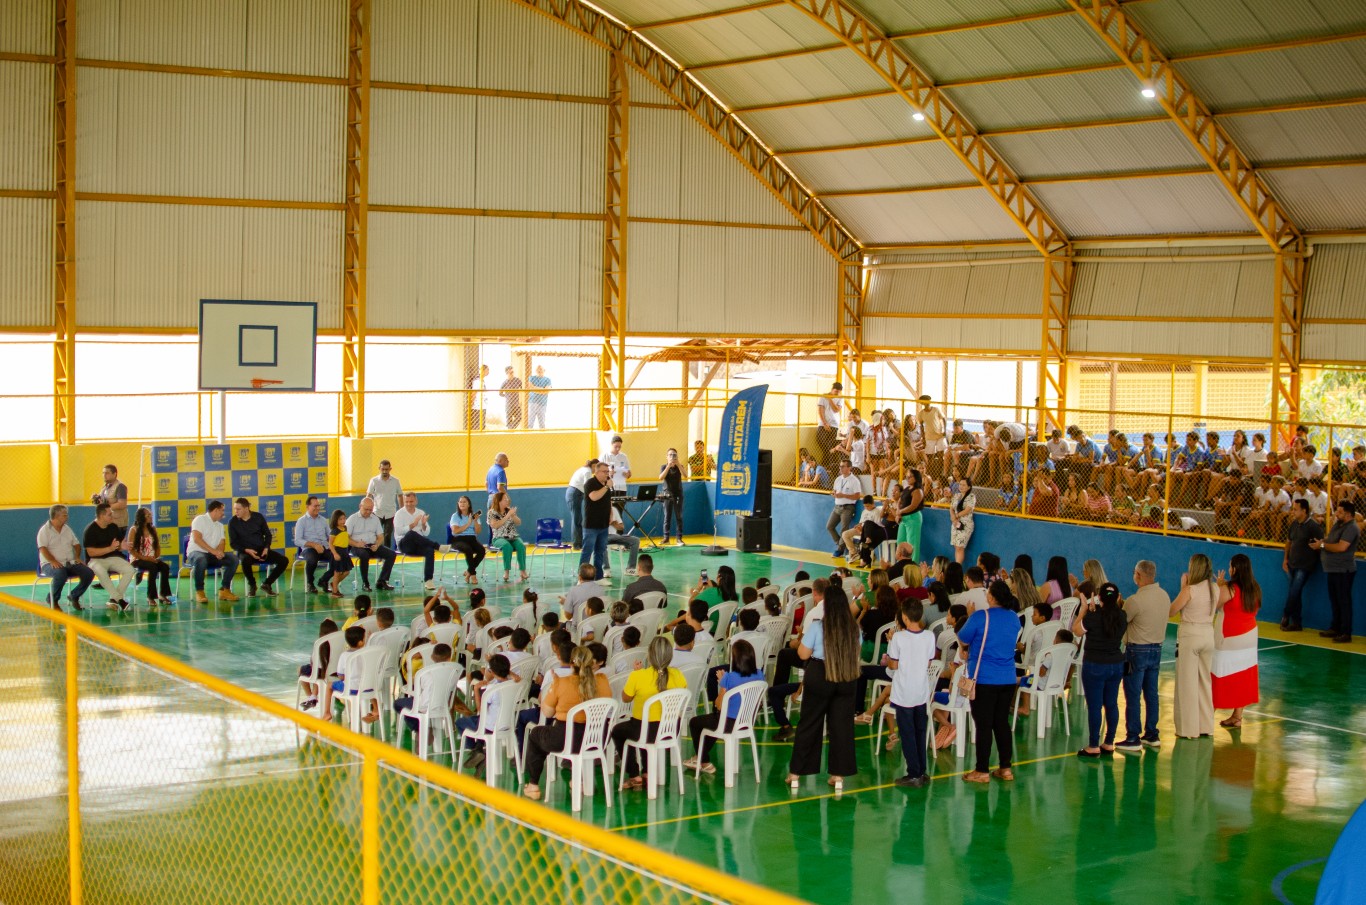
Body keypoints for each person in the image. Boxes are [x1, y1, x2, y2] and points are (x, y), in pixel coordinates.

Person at [786, 584, 860, 792]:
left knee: (809, 724)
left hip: (820, 676)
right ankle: (838, 775)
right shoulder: (854, 629)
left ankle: (796, 773)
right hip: (846, 676)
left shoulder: (819, 626)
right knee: (842, 727)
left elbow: (802, 654)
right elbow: (856, 653)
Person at [521, 645, 611, 801]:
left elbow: (547, 712)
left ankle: (533, 785)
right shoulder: (603, 681)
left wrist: (554, 689)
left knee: (536, 734)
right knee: (579, 742)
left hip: (566, 739)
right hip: (597, 738)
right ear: (593, 663)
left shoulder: (561, 682)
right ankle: (579, 781)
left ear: (571, 664)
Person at [956, 580, 1019, 783]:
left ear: (991, 597)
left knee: (983, 725)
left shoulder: (979, 617)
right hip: (1008, 678)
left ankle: (982, 770)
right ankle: (1005, 768)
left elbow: (963, 639)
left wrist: (969, 616)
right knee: (1001, 723)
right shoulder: (1013, 618)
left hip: (984, 678)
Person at [613, 636, 688, 789]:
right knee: (644, 728)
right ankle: (647, 771)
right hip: (670, 729)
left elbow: (626, 699)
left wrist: (636, 675)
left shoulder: (638, 676)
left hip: (645, 731)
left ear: (649, 654)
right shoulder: (678, 675)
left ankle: (634, 773)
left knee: (618, 731)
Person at [685, 638, 766, 775]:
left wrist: (722, 683)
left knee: (695, 722)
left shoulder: (729, 677)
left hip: (728, 723)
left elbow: (719, 705)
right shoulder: (760, 674)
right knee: (711, 722)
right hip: (746, 722)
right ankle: (700, 757)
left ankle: (703, 760)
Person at [1113, 560, 1170, 754]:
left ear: (1138, 575)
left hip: (1135, 652)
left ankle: (1132, 737)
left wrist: (1119, 606)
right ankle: (1152, 733)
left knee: (1132, 693)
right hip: (1156, 650)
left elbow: (1122, 620)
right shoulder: (1164, 596)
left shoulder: (1134, 600)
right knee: (1151, 693)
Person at [1072, 582, 1128, 757]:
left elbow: (1076, 631)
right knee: (1111, 704)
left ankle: (1093, 745)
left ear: (1099, 598)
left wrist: (1083, 610)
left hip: (1095, 665)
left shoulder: (1092, 616)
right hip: (1116, 664)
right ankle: (1109, 742)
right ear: (1118, 597)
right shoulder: (1122, 616)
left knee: (1095, 706)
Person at [887, 598, 935, 787]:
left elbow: (893, 664)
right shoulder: (929, 636)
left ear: (904, 618)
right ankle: (922, 770)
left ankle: (913, 773)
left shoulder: (898, 638)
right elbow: (929, 662)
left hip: (904, 692)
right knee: (920, 731)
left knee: (907, 733)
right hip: (921, 691)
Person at [1212, 554, 1261, 729]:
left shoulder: (1230, 588)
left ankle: (1209, 712)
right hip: (1249, 638)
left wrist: (1218, 586)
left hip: (1229, 638)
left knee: (1219, 674)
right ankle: (1237, 716)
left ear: (1234, 569)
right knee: (1242, 675)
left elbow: (1214, 605)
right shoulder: (1254, 587)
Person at [1171, 554, 1217, 739]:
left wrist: (1182, 587)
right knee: (1205, 681)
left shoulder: (1190, 589)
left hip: (1190, 635)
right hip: (1208, 635)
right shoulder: (1215, 588)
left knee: (1187, 683)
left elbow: (1172, 610)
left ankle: (1188, 729)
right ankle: (1206, 725)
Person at [1313, 502, 1359, 643]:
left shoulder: (1351, 528)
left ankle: (1346, 632)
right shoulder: (1338, 525)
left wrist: (1321, 545)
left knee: (1344, 601)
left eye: (1339, 512)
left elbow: (1341, 547)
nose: (1336, 514)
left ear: (1348, 514)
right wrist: (1322, 541)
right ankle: (1335, 628)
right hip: (1332, 569)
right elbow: (1330, 540)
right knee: (1335, 600)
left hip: (1343, 570)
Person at [37, 504, 94, 611]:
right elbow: (42, 548)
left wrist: (76, 557)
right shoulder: (44, 531)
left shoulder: (67, 529)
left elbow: (76, 545)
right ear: (56, 516)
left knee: (88, 573)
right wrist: (52, 561)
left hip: (69, 562)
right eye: (64, 515)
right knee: (60, 573)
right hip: (49, 564)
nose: (67, 517)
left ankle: (74, 595)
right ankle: (53, 599)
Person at [81, 502, 137, 610]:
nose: (112, 516)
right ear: (102, 516)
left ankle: (113, 599)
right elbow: (91, 553)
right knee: (101, 571)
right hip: (95, 560)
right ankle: (120, 600)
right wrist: (110, 549)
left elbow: (118, 546)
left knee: (130, 569)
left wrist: (122, 546)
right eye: (109, 514)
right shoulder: (90, 530)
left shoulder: (113, 527)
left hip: (113, 557)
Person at [229, 497, 289, 596]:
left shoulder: (258, 517)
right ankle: (252, 585)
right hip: (245, 551)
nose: (236, 511)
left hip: (261, 549)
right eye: (235, 509)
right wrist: (246, 550)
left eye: (238, 509)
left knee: (284, 560)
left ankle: (267, 583)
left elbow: (268, 535)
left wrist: (266, 548)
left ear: (246, 508)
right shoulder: (233, 522)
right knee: (245, 561)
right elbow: (233, 544)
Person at [1281, 498, 1323, 631]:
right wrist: (1285, 559)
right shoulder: (1294, 524)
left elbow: (1320, 544)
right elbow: (1288, 542)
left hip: (1305, 565)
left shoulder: (1313, 526)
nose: (1293, 512)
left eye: (1295, 509)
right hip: (1292, 563)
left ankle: (1286, 614)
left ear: (1304, 511)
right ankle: (1297, 622)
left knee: (1294, 590)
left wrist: (1318, 548)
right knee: (1296, 592)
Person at [187, 500, 240, 604]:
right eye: (222, 510)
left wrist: (219, 552)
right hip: (196, 553)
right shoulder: (199, 519)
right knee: (201, 559)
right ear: (215, 510)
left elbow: (222, 542)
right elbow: (197, 539)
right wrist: (214, 551)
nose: (223, 513)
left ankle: (225, 590)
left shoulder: (219, 525)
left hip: (212, 555)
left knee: (233, 559)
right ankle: (200, 591)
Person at [340, 496, 396, 593]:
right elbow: (345, 538)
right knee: (364, 555)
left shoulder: (375, 519)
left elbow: (380, 536)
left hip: (372, 545)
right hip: (357, 546)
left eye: (370, 510)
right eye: (366, 509)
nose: (368, 512)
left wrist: (377, 545)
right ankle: (365, 583)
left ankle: (382, 581)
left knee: (391, 554)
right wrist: (357, 544)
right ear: (360, 506)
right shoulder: (352, 519)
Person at [394, 492, 440, 591]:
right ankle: (437, 546)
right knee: (411, 534)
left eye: (411, 501)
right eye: (406, 502)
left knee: (430, 551)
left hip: (419, 544)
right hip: (404, 544)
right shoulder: (399, 514)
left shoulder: (420, 512)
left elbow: (426, 532)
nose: (409, 504)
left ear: (416, 501)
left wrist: (423, 524)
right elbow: (398, 531)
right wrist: (413, 524)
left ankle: (428, 580)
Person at [126, 507, 173, 604]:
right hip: (137, 559)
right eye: (148, 515)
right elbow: (131, 550)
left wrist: (156, 557)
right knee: (152, 567)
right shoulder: (133, 530)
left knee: (164, 567)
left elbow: (157, 546)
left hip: (151, 559)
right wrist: (145, 558)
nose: (151, 517)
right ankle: (150, 597)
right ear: (141, 517)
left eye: (151, 515)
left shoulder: (153, 529)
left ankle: (163, 595)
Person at [580, 460, 613, 580]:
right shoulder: (590, 483)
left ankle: (598, 578)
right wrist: (606, 487)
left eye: (608, 471)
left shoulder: (606, 485)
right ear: (597, 472)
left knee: (600, 552)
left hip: (603, 525)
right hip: (591, 525)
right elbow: (594, 497)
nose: (607, 474)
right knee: (587, 552)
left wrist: (611, 514)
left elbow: (608, 501)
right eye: (605, 472)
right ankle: (582, 578)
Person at [294, 496, 333, 594]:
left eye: (319, 506)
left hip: (324, 547)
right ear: (308, 507)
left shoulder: (323, 520)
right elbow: (297, 540)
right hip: (309, 548)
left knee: (338, 558)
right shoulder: (301, 521)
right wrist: (314, 545)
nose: (317, 508)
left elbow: (330, 536)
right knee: (312, 559)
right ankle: (310, 583)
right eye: (315, 506)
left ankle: (324, 580)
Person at [488, 491, 529, 583]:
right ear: (498, 501)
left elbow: (518, 522)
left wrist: (513, 515)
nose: (507, 500)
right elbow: (495, 525)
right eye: (504, 499)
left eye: (507, 499)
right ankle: (506, 571)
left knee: (521, 546)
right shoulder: (492, 512)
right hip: (499, 538)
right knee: (507, 546)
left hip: (513, 536)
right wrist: (508, 516)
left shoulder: (509, 510)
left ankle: (523, 570)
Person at [826, 459, 862, 558]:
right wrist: (834, 494)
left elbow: (857, 496)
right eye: (840, 466)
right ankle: (841, 544)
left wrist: (844, 495)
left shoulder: (854, 480)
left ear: (849, 468)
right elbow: (834, 490)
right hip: (837, 506)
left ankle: (840, 550)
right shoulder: (838, 479)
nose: (840, 468)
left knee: (844, 529)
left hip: (848, 508)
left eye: (843, 466)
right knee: (829, 526)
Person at [447, 496, 486, 584]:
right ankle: (473, 575)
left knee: (482, 550)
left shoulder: (473, 515)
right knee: (468, 549)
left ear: (468, 504)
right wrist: (468, 524)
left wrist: (475, 521)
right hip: (458, 539)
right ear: (458, 504)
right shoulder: (455, 516)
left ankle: (469, 571)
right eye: (460, 502)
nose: (462, 504)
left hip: (472, 538)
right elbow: (455, 530)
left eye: (464, 502)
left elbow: (478, 531)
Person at [365, 459, 402, 547]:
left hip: (391, 512)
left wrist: (402, 510)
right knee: (375, 534)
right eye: (383, 469)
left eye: (386, 469)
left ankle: (387, 555)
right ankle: (374, 552)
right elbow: (369, 495)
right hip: (377, 512)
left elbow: (400, 495)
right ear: (379, 468)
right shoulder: (374, 481)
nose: (385, 471)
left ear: (390, 469)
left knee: (387, 535)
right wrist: (366, 509)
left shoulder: (395, 481)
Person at [565, 458, 597, 550]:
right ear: (594, 466)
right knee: (577, 519)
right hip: (575, 493)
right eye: (597, 468)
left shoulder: (585, 470)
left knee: (578, 519)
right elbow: (589, 487)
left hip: (575, 493)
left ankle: (580, 543)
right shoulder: (587, 472)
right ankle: (577, 544)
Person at [896, 469, 925, 562]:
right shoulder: (906, 489)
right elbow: (899, 501)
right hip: (904, 519)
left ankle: (913, 565)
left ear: (916, 478)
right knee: (900, 542)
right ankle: (901, 564)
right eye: (907, 476)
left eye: (910, 476)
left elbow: (913, 506)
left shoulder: (918, 491)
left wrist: (901, 512)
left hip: (913, 518)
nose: (908, 478)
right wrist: (898, 512)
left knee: (912, 543)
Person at [91, 463, 129, 531]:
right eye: (103, 473)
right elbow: (103, 502)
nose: (104, 475)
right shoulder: (104, 487)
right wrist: (97, 499)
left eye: (107, 473)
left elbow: (122, 504)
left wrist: (107, 507)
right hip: (106, 522)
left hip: (118, 523)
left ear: (114, 474)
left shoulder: (120, 486)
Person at [324, 509, 353, 598]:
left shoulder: (345, 528)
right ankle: (335, 592)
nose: (343, 521)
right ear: (335, 520)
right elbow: (330, 544)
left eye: (344, 519)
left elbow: (346, 540)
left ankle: (334, 584)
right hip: (337, 552)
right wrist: (335, 554)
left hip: (344, 552)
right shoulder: (334, 531)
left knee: (346, 572)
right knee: (337, 572)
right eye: (340, 519)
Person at [659, 448, 685, 545]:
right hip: (667, 494)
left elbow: (685, 475)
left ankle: (679, 538)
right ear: (667, 457)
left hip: (678, 493)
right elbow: (661, 477)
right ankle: (666, 538)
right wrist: (668, 466)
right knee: (667, 516)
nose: (672, 457)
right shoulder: (663, 466)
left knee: (679, 516)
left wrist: (678, 464)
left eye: (674, 455)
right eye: (670, 455)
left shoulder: (680, 466)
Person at [607, 505, 641, 577]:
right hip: (602, 536)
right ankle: (606, 570)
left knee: (635, 540)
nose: (610, 502)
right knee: (601, 541)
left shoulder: (614, 509)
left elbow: (621, 527)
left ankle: (630, 569)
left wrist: (615, 524)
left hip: (614, 536)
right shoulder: (597, 510)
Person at [917, 396, 947, 478]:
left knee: (941, 455)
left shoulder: (936, 409)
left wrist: (944, 430)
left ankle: (939, 475)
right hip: (929, 437)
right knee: (930, 457)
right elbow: (921, 425)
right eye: (924, 401)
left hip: (940, 435)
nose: (926, 403)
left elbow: (943, 419)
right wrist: (923, 437)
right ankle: (929, 474)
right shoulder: (921, 413)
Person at [816, 382, 843, 469]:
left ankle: (826, 466)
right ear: (832, 389)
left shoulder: (840, 398)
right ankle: (826, 466)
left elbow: (836, 410)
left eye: (839, 392)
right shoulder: (823, 397)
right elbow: (821, 410)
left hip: (834, 425)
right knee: (824, 444)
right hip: (823, 424)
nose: (837, 393)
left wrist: (830, 399)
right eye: (836, 391)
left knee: (831, 446)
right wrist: (824, 423)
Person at [949, 475, 976, 564]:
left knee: (960, 547)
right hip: (955, 523)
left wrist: (956, 516)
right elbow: (951, 508)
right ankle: (957, 565)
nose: (961, 486)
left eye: (964, 485)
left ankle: (958, 566)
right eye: (960, 484)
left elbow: (968, 510)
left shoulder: (971, 496)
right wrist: (953, 517)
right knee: (956, 546)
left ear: (969, 487)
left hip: (965, 524)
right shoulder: (956, 495)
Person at [486, 452, 510, 541]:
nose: (508, 461)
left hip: (490, 497)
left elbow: (486, 483)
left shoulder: (490, 469)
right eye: (506, 460)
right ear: (500, 461)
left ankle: (491, 542)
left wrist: (490, 493)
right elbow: (500, 487)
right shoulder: (500, 471)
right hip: (498, 499)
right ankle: (500, 542)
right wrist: (506, 497)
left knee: (491, 521)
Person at [527, 364, 551, 429]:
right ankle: (528, 437)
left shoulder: (547, 379)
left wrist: (535, 389)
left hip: (542, 403)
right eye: (537, 369)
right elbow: (531, 387)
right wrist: (542, 390)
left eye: (540, 369)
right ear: (535, 370)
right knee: (530, 422)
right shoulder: (531, 378)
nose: (539, 370)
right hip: (532, 402)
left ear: (544, 370)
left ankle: (543, 437)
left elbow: (547, 391)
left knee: (542, 423)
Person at [468, 363, 489, 430]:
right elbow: (474, 393)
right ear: (483, 371)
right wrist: (471, 404)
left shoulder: (482, 380)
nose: (488, 372)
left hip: (482, 406)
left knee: (482, 426)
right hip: (478, 407)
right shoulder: (477, 381)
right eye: (487, 370)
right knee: (477, 426)